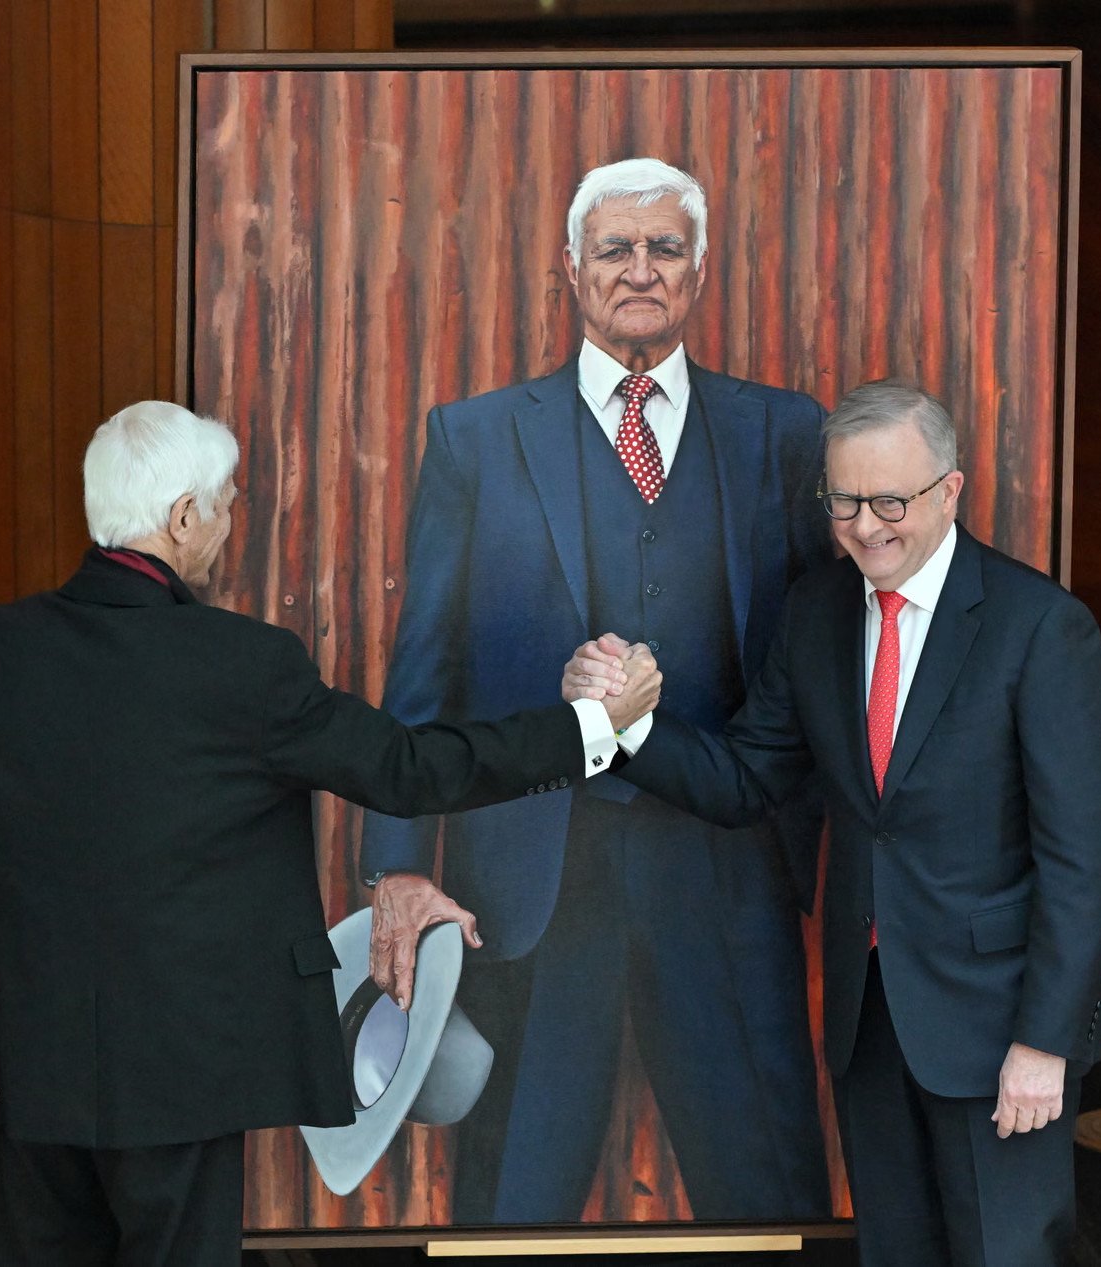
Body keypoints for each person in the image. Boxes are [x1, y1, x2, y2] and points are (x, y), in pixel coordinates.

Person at [0, 400, 658, 1265]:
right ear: (182, 518)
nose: (229, 520)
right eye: (225, 502)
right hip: (188, 1069)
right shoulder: (246, 665)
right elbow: (410, 769)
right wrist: (592, 728)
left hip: (30, 1056)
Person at [360, 157, 831, 1222]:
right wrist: (400, 864)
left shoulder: (781, 433)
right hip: (531, 877)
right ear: (570, 269)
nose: (640, 269)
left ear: (699, 269)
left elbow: (817, 656)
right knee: (511, 1206)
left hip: (724, 870)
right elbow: (424, 672)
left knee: (769, 1195)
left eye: (665, 248)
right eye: (614, 248)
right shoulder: (475, 439)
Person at [572, 381, 1101, 1265]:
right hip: (870, 1020)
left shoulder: (1042, 628)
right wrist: (621, 724)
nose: (866, 527)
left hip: (997, 1027)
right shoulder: (817, 612)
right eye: (844, 502)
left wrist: (1042, 1043)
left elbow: (1082, 863)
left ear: (949, 491)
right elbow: (747, 777)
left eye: (890, 502)